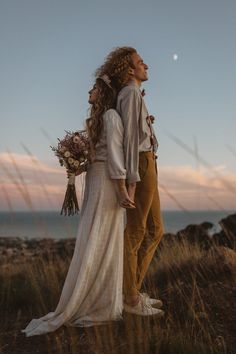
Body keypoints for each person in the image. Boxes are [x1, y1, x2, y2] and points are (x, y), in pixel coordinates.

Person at [21, 76, 135, 337]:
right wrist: (76, 167)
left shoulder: (110, 117)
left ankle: (102, 302)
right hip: (96, 181)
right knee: (92, 236)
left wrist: (121, 190)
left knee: (103, 237)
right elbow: (98, 156)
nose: (89, 90)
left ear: (103, 92)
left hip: (108, 184)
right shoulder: (98, 120)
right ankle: (91, 297)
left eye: (94, 87)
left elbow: (115, 157)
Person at [95, 47, 165, 316]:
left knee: (156, 229)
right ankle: (131, 299)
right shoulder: (132, 93)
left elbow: (137, 132)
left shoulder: (133, 95)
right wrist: (132, 181)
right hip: (141, 163)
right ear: (129, 70)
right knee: (136, 232)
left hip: (149, 160)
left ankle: (131, 289)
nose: (146, 64)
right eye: (140, 62)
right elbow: (130, 141)